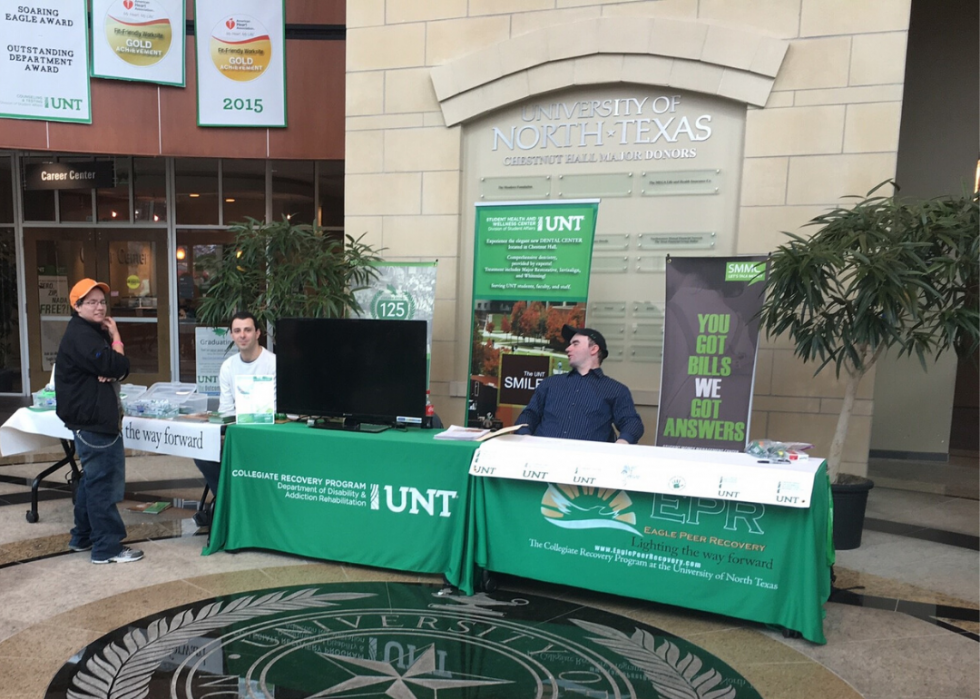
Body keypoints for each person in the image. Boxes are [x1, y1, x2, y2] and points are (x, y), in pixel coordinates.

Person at [56, 279, 143, 564]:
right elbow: (118, 366)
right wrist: (116, 348)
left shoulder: (93, 332)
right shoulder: (83, 335)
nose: (99, 306)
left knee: (92, 481)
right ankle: (107, 548)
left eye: (101, 301)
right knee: (103, 484)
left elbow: (116, 369)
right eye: (90, 301)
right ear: (76, 306)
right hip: (94, 421)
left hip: (89, 418)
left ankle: (81, 537)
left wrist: (113, 354)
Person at [193, 311, 276, 518]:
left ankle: (227, 508)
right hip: (237, 433)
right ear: (231, 335)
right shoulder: (228, 367)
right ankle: (227, 503)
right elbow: (227, 410)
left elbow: (275, 410)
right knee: (203, 453)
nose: (242, 335)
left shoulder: (273, 363)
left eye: (247, 330)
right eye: (237, 331)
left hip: (267, 434)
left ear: (258, 333)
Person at [516, 324, 643, 444]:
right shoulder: (550, 383)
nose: (567, 348)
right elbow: (529, 415)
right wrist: (525, 437)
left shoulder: (615, 390)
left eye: (575, 344)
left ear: (594, 349)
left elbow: (631, 422)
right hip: (544, 457)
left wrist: (622, 442)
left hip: (588, 461)